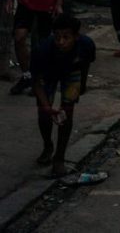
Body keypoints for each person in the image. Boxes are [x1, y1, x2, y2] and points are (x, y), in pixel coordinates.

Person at [31, 14, 95, 177]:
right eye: (57, 37)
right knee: (43, 114)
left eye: (66, 37)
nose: (61, 42)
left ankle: (59, 158)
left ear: (76, 36)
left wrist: (82, 85)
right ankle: (48, 145)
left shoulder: (86, 45)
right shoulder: (42, 50)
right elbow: (37, 82)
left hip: (72, 72)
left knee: (67, 112)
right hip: (48, 75)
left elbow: (85, 64)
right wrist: (47, 106)